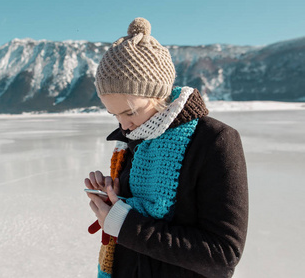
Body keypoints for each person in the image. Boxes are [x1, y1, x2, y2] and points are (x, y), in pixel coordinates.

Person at [84, 17, 248, 278]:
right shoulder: (133, 139)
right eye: (114, 115)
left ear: (158, 94)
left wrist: (124, 225)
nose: (124, 126)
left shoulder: (215, 141)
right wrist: (115, 196)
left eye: (129, 112)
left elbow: (222, 255)